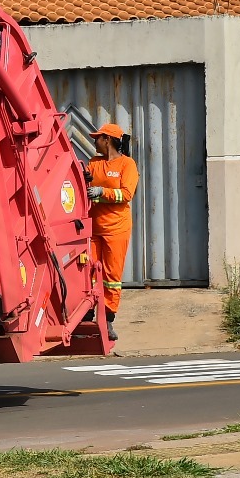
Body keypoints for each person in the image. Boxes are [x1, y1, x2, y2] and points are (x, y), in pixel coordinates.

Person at [84, 123, 139, 341]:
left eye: (97, 138)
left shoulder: (128, 164)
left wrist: (100, 191)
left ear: (107, 140)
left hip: (116, 229)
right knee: (88, 272)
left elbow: (126, 194)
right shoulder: (93, 163)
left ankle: (107, 318)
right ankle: (88, 314)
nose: (94, 141)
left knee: (111, 277)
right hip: (94, 228)